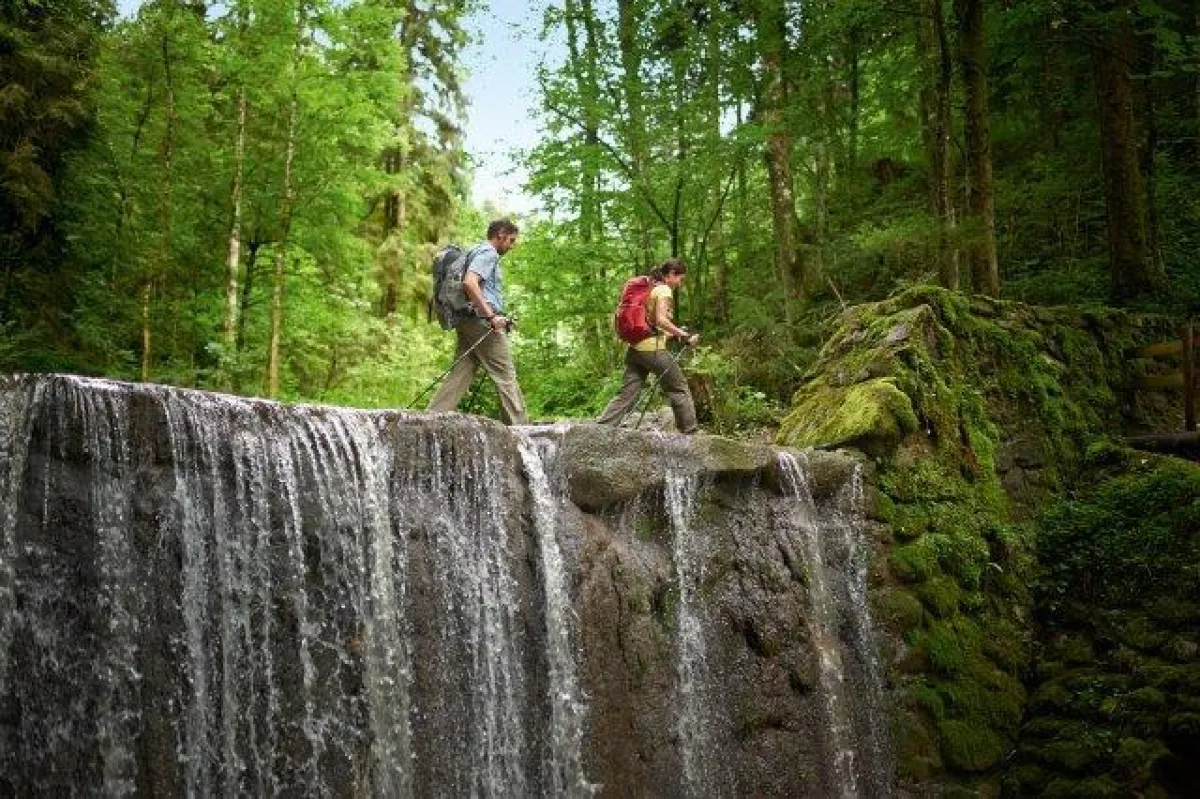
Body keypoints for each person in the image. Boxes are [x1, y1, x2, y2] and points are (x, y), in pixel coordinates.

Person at [428, 219, 528, 425]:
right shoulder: (488, 253)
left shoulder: (475, 250)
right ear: (500, 235)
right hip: (482, 321)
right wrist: (491, 317)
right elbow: (470, 283)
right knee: (505, 374)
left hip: (468, 319)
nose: (512, 245)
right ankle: (522, 429)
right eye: (511, 240)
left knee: (463, 370)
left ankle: (431, 419)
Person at [597, 258, 699, 434]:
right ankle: (690, 433)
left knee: (627, 394)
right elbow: (661, 320)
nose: (679, 283)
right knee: (679, 388)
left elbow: (652, 325)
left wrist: (674, 335)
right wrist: (684, 335)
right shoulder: (664, 289)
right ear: (671, 274)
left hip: (635, 350)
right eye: (680, 278)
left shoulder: (651, 287)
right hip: (652, 351)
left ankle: (601, 428)